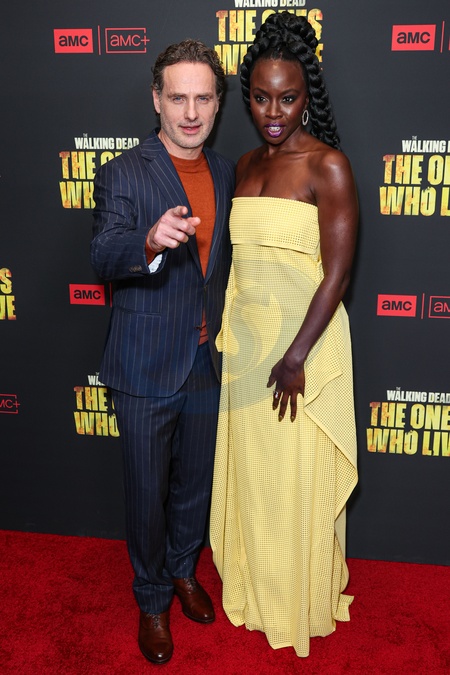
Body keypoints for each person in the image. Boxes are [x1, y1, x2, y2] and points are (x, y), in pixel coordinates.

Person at [210, 11, 358, 658]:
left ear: (307, 96)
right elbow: (239, 266)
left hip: (302, 355)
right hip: (249, 353)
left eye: (289, 97)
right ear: (247, 95)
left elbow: (337, 275)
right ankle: (257, 584)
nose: (274, 112)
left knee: (295, 481)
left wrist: (295, 357)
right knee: (259, 480)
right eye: (261, 97)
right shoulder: (244, 164)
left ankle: (295, 596)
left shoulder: (328, 166)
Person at [91, 39, 234, 665]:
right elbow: (102, 254)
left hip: (204, 362)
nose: (191, 112)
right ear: (157, 100)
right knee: (147, 493)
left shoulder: (226, 171)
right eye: (178, 98)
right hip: (145, 361)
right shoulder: (124, 172)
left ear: (218, 103)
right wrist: (148, 240)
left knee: (194, 485)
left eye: (203, 98)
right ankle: (151, 600)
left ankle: (182, 571)